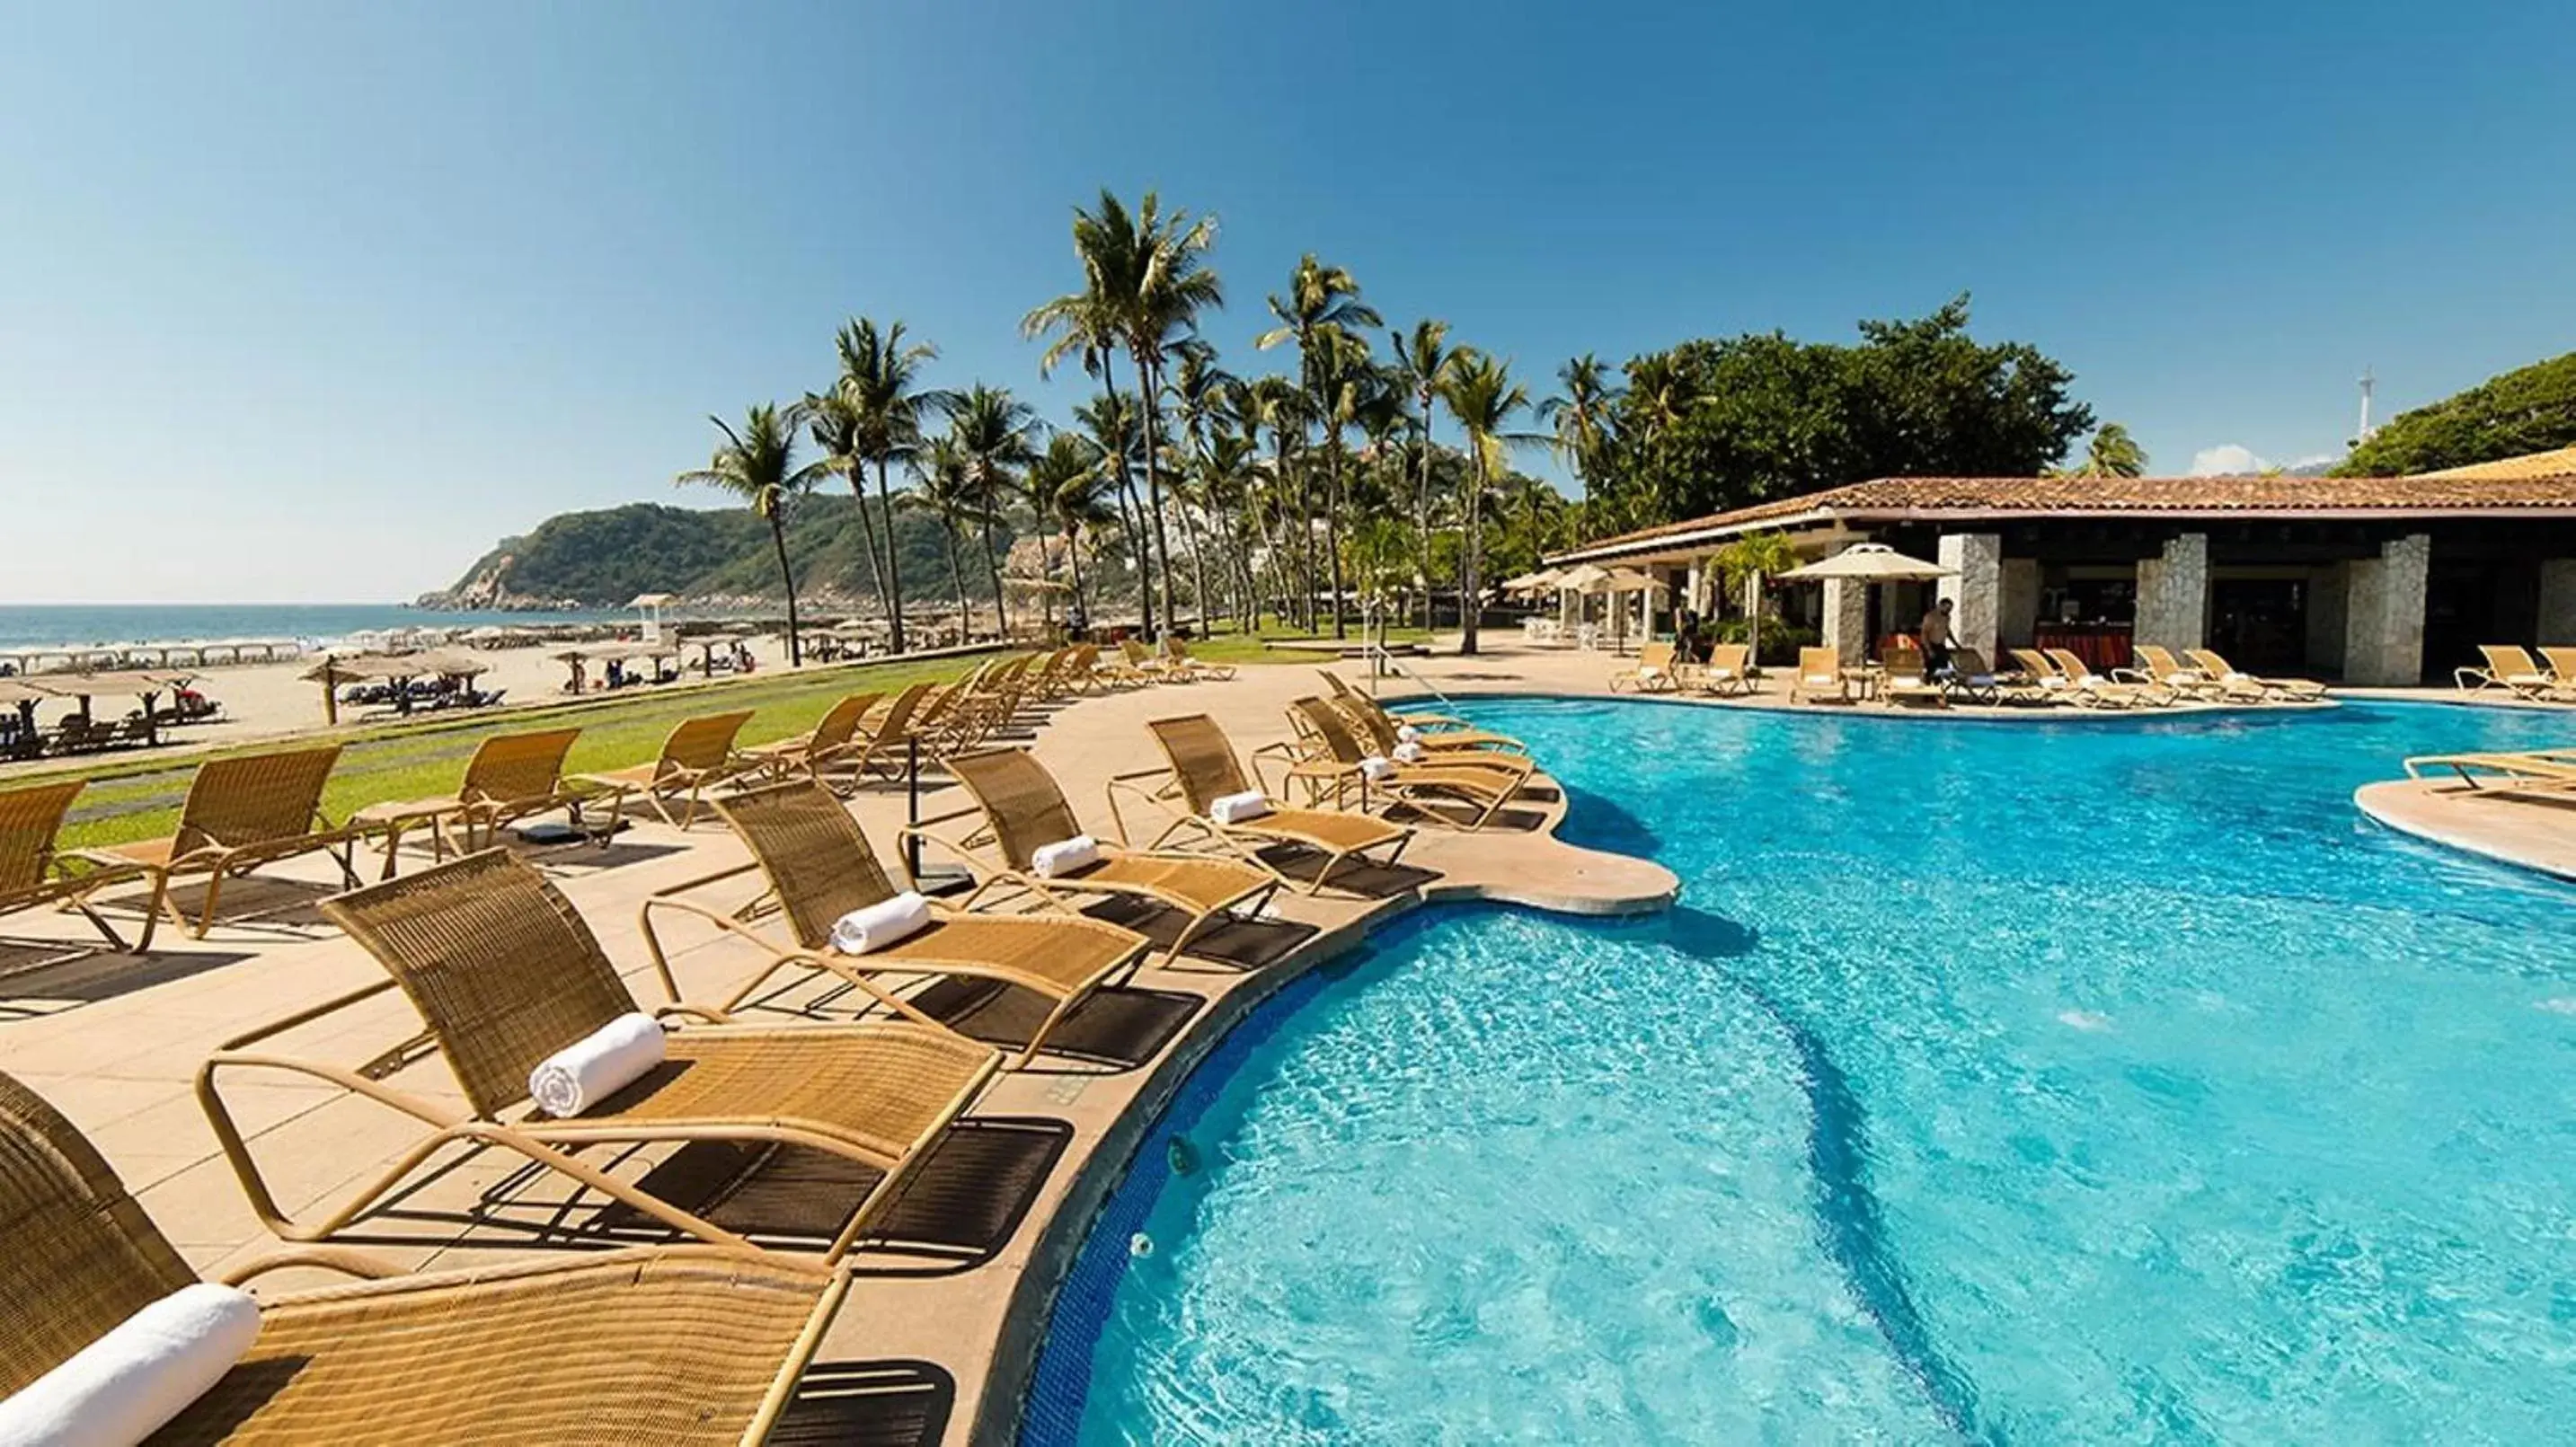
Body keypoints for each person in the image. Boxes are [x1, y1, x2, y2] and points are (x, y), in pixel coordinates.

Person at [1920, 597, 1956, 677]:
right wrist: (1929, 649)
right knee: (1931, 667)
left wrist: (1956, 644)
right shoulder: (1930, 617)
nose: (1948, 611)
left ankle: (1939, 682)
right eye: (1946, 608)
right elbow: (1924, 634)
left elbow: (1947, 631)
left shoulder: (1947, 618)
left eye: (1950, 609)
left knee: (1943, 665)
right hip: (1930, 644)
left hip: (1940, 645)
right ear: (1940, 606)